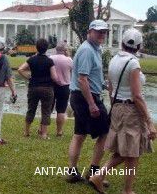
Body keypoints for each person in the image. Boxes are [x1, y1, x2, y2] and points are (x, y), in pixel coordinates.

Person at [89, 28, 157, 194]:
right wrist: (149, 121)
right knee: (132, 153)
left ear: (121, 43)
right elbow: (137, 96)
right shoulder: (133, 63)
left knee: (123, 150)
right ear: (139, 46)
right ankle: (125, 189)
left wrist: (116, 107)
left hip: (118, 107)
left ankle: (100, 175)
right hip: (130, 110)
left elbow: (111, 89)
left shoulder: (114, 60)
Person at [67, 20, 110, 183]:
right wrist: (92, 104)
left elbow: (91, 76)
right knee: (105, 132)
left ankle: (73, 171)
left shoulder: (95, 49)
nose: (102, 35)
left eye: (104, 32)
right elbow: (82, 79)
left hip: (81, 96)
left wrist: (104, 85)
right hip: (85, 97)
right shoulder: (87, 50)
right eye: (98, 31)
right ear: (90, 31)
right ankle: (94, 172)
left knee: (79, 134)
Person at [18, 38, 59, 139]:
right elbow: (54, 77)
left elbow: (20, 69)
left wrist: (29, 77)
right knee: (46, 111)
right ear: (46, 48)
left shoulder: (32, 59)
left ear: (36, 47)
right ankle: (44, 134)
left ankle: (26, 132)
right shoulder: (50, 61)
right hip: (47, 88)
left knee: (31, 109)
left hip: (33, 87)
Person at [50, 42, 73, 137]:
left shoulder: (50, 58)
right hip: (64, 87)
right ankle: (59, 131)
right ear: (65, 50)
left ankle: (41, 128)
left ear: (56, 49)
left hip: (52, 85)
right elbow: (73, 71)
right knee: (61, 110)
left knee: (47, 108)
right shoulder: (69, 60)